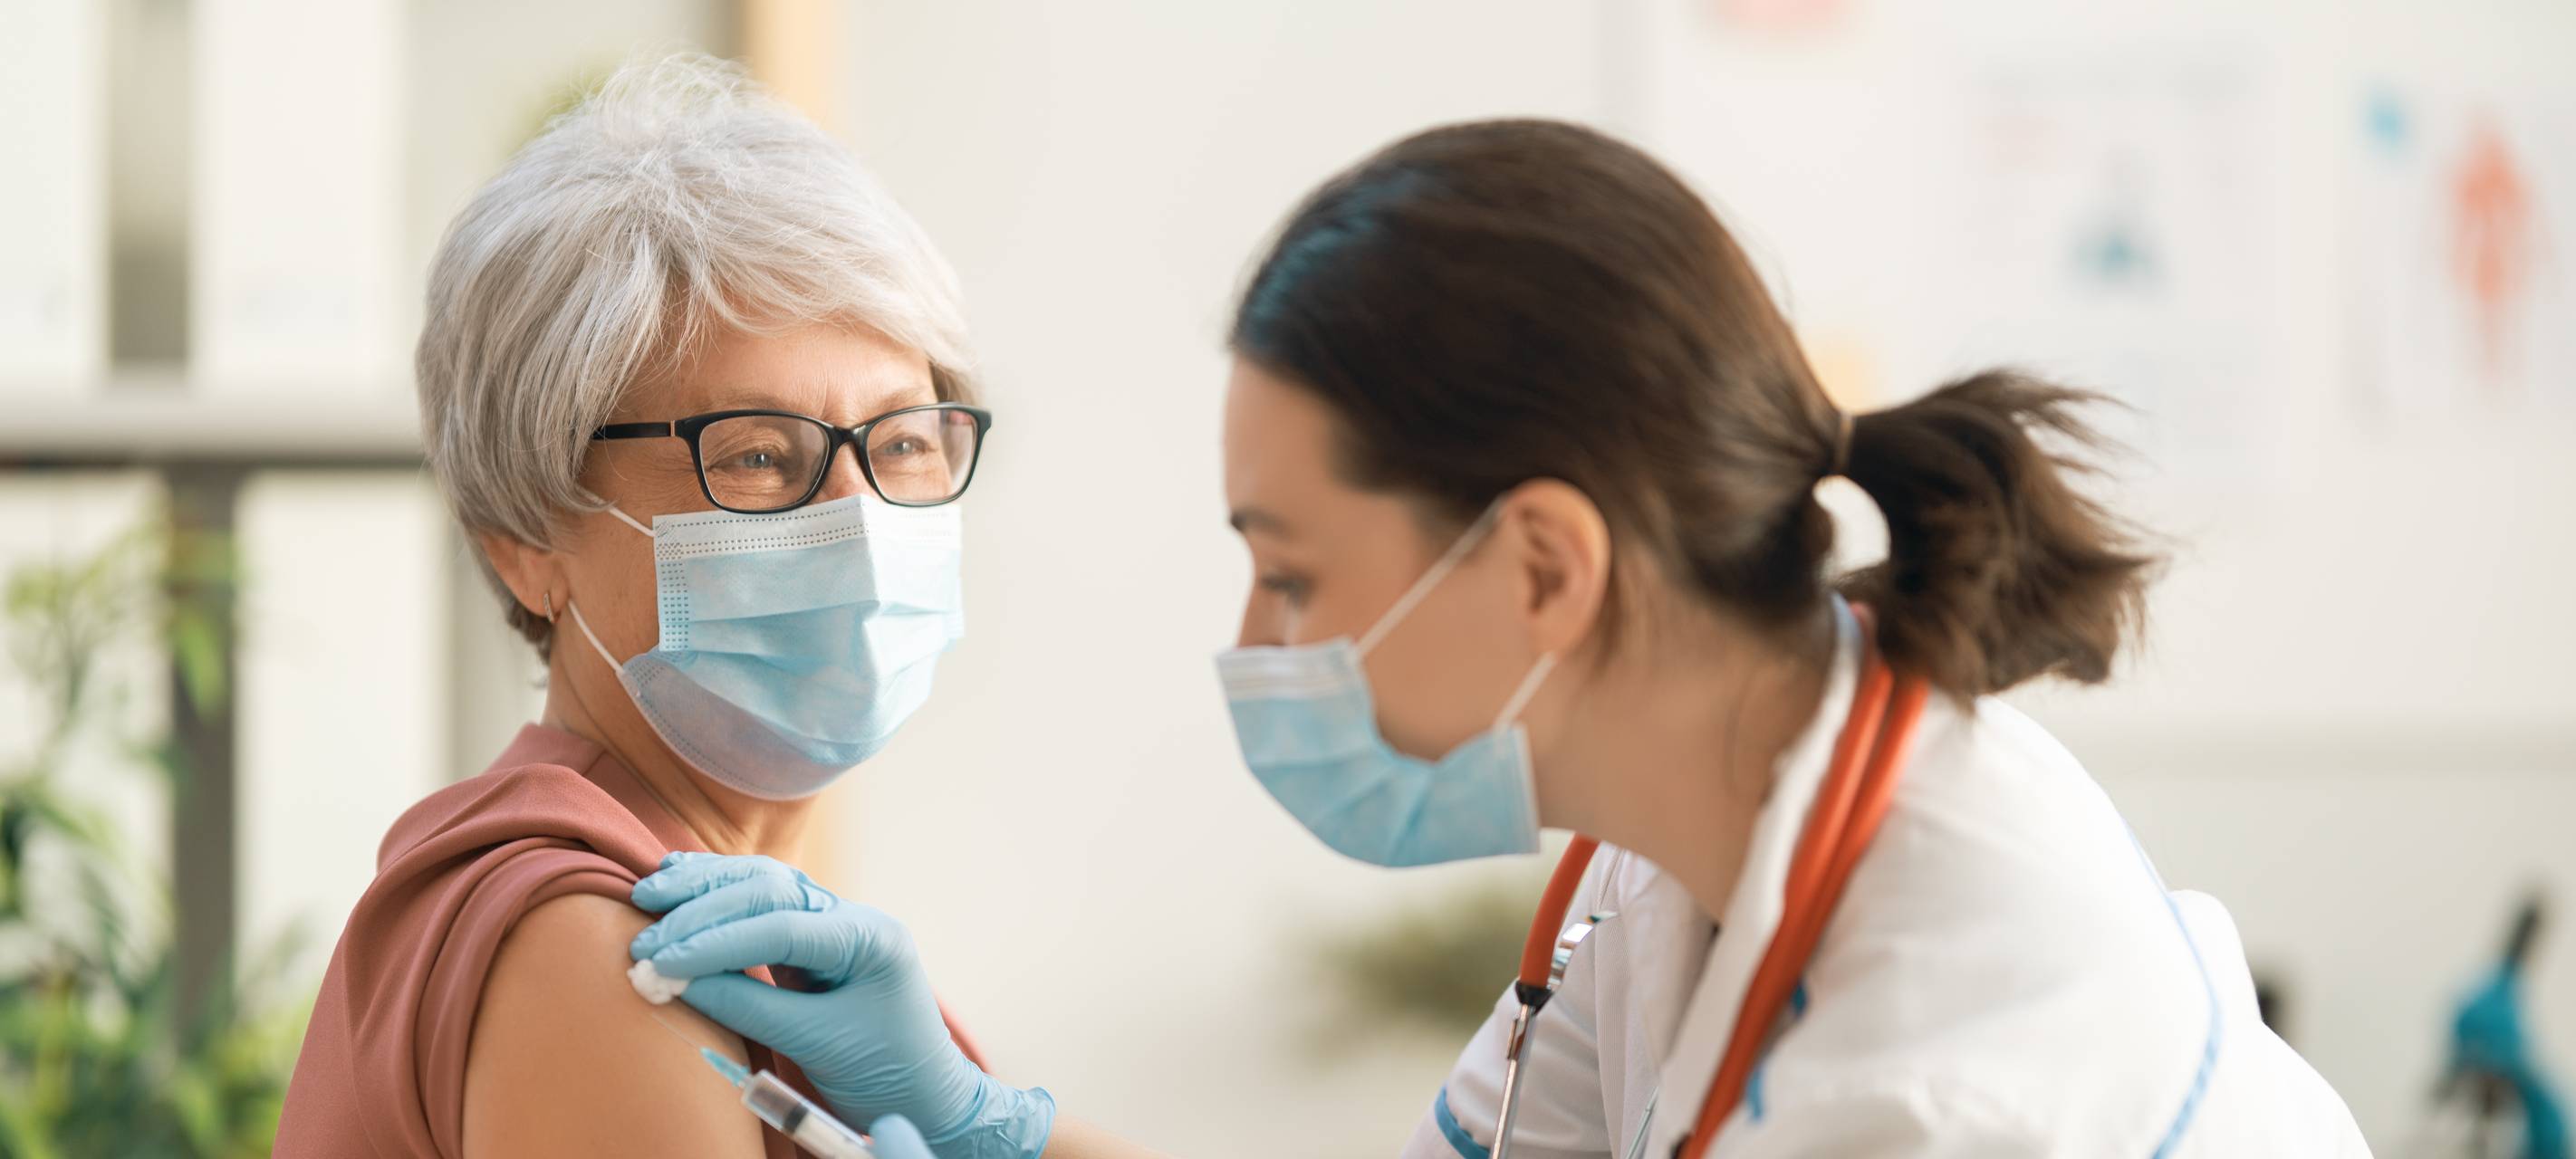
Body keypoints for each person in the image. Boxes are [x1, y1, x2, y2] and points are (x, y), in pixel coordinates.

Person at [652, 119, 2373, 1156]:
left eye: (1296, 576)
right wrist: (987, 1123)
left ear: (1542, 567)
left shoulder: (1939, 1083)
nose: (1256, 645)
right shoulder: (1653, 863)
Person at [273, 55, 1028, 1158]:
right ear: (528, 542)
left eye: (904, 441)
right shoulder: (596, 944)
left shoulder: (759, 933)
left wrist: (994, 1130)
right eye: (761, 455)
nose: (859, 517)